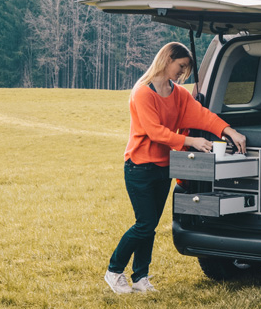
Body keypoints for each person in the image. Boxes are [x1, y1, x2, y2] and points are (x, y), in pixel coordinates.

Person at [104, 42, 246, 294]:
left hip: (163, 168)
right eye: (180, 66)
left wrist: (228, 131)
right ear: (167, 59)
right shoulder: (142, 92)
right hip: (139, 168)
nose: (182, 73)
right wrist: (190, 141)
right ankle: (114, 271)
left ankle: (140, 278)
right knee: (145, 224)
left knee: (150, 225)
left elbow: (202, 115)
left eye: (185, 69)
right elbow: (155, 132)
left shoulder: (178, 94)